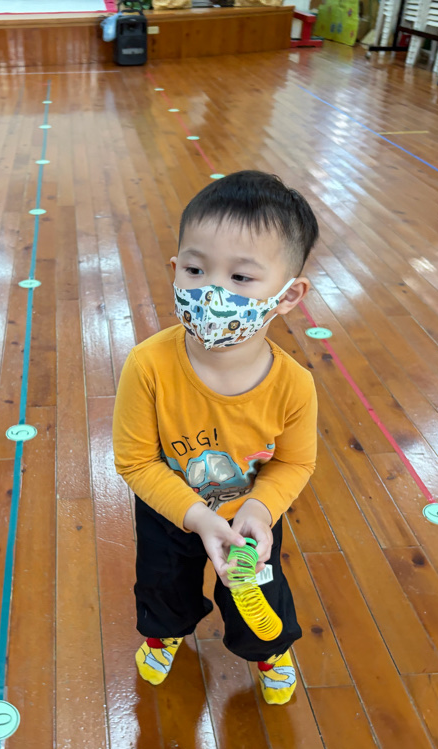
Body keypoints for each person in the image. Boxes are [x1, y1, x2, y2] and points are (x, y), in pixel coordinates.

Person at [112, 170, 319, 705]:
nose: (212, 292)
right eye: (196, 270)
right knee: (163, 586)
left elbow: (295, 464)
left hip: (249, 519)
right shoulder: (147, 365)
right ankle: (164, 635)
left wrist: (260, 510)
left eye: (242, 277)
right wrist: (199, 518)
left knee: (259, 597)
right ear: (175, 270)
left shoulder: (294, 385)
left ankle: (270, 651)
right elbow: (135, 462)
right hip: (170, 510)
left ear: (289, 294)